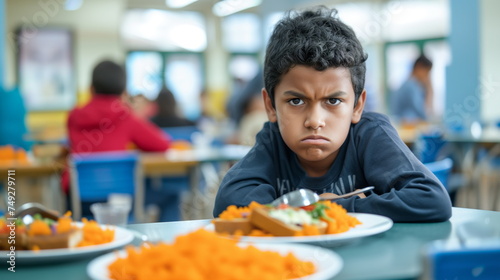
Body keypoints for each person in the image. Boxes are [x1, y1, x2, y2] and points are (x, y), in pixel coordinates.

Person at [213, 7, 452, 222]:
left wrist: (336, 206)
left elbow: (431, 199)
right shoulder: (273, 140)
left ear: (357, 106)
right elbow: (230, 202)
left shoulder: (369, 134)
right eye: (296, 101)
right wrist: (313, 211)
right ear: (271, 106)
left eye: (333, 101)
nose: (315, 121)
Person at [63, 60, 171, 213]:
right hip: (118, 204)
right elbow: (162, 144)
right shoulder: (125, 116)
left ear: (91, 89)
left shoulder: (73, 117)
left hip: (78, 201)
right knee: (172, 196)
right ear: (123, 91)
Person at [391, 55, 434, 123]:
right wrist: (430, 90)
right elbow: (422, 112)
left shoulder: (412, 84)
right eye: (427, 72)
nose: (427, 76)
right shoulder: (411, 86)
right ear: (419, 67)